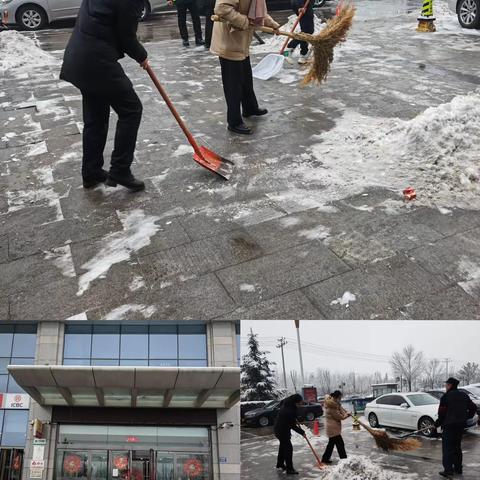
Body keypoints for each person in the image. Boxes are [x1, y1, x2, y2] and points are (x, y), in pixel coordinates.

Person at [60, 0, 147, 192]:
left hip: (79, 56)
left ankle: (91, 172)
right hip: (97, 60)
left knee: (96, 117)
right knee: (131, 109)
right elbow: (126, 37)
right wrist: (142, 56)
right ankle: (120, 169)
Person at [211, 0, 280, 135]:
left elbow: (257, 13)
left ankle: (250, 108)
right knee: (233, 85)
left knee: (246, 78)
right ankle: (234, 122)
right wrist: (244, 21)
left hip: (241, 42)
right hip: (229, 43)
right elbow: (221, 8)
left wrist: (273, 25)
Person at [435, 377, 477, 478]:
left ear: (450, 385)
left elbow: (442, 413)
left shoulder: (446, 397)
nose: (445, 386)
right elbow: (473, 407)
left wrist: (437, 423)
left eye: (446, 384)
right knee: (457, 448)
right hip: (460, 426)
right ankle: (458, 469)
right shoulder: (464, 395)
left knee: (447, 449)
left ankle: (448, 470)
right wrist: (467, 417)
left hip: (449, 426)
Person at [273, 394, 305, 475]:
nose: (301, 404)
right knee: (288, 449)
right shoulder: (289, 411)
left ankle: (279, 464)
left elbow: (290, 420)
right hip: (282, 431)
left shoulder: (287, 404)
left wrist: (293, 418)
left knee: (283, 446)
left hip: (278, 428)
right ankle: (289, 469)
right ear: (295, 402)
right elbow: (292, 425)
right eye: (299, 403)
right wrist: (302, 432)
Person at [321, 390, 350, 464]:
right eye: (339, 398)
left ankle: (325, 459)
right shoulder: (331, 407)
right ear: (336, 397)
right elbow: (340, 417)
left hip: (332, 428)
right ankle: (344, 459)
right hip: (333, 429)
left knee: (331, 445)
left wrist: (342, 408)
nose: (340, 399)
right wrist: (347, 415)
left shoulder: (334, 404)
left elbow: (341, 411)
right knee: (340, 444)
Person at [286, 0, 315, 64]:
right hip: (302, 4)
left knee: (305, 31)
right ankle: (289, 49)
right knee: (308, 30)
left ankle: (303, 55)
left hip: (303, 4)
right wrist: (300, 6)